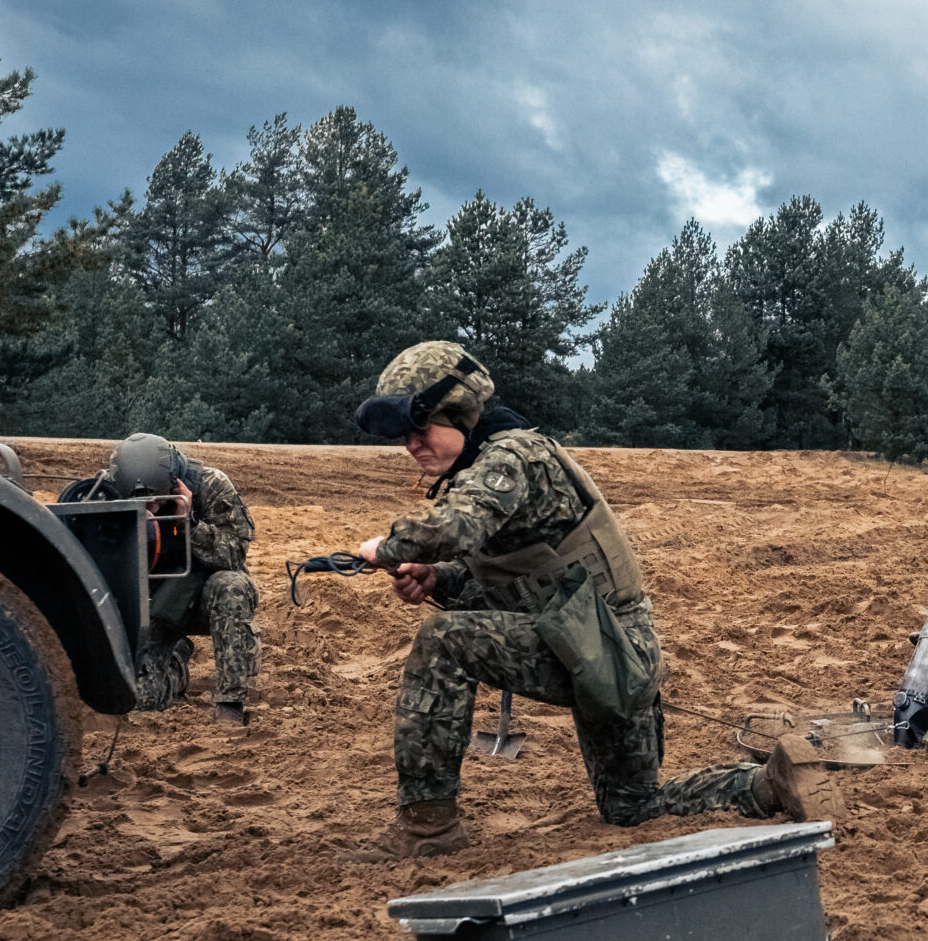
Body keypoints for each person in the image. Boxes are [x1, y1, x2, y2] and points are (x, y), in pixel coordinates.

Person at [344, 341, 821, 859]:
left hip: (606, 650)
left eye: (422, 428)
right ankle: (765, 785)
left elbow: (456, 527)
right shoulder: (494, 460)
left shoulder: (511, 455)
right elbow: (517, 575)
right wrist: (438, 579)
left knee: (444, 642)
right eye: (403, 437)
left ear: (461, 414)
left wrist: (386, 549)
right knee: (631, 808)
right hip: (598, 644)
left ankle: (428, 831)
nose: (411, 445)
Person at [60, 433, 258, 727]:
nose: (149, 509)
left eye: (154, 501)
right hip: (148, 604)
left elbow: (234, 555)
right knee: (143, 700)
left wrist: (189, 523)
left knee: (233, 586)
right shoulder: (107, 494)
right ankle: (178, 662)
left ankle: (230, 702)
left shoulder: (211, 486)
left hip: (200, 598)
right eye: (139, 502)